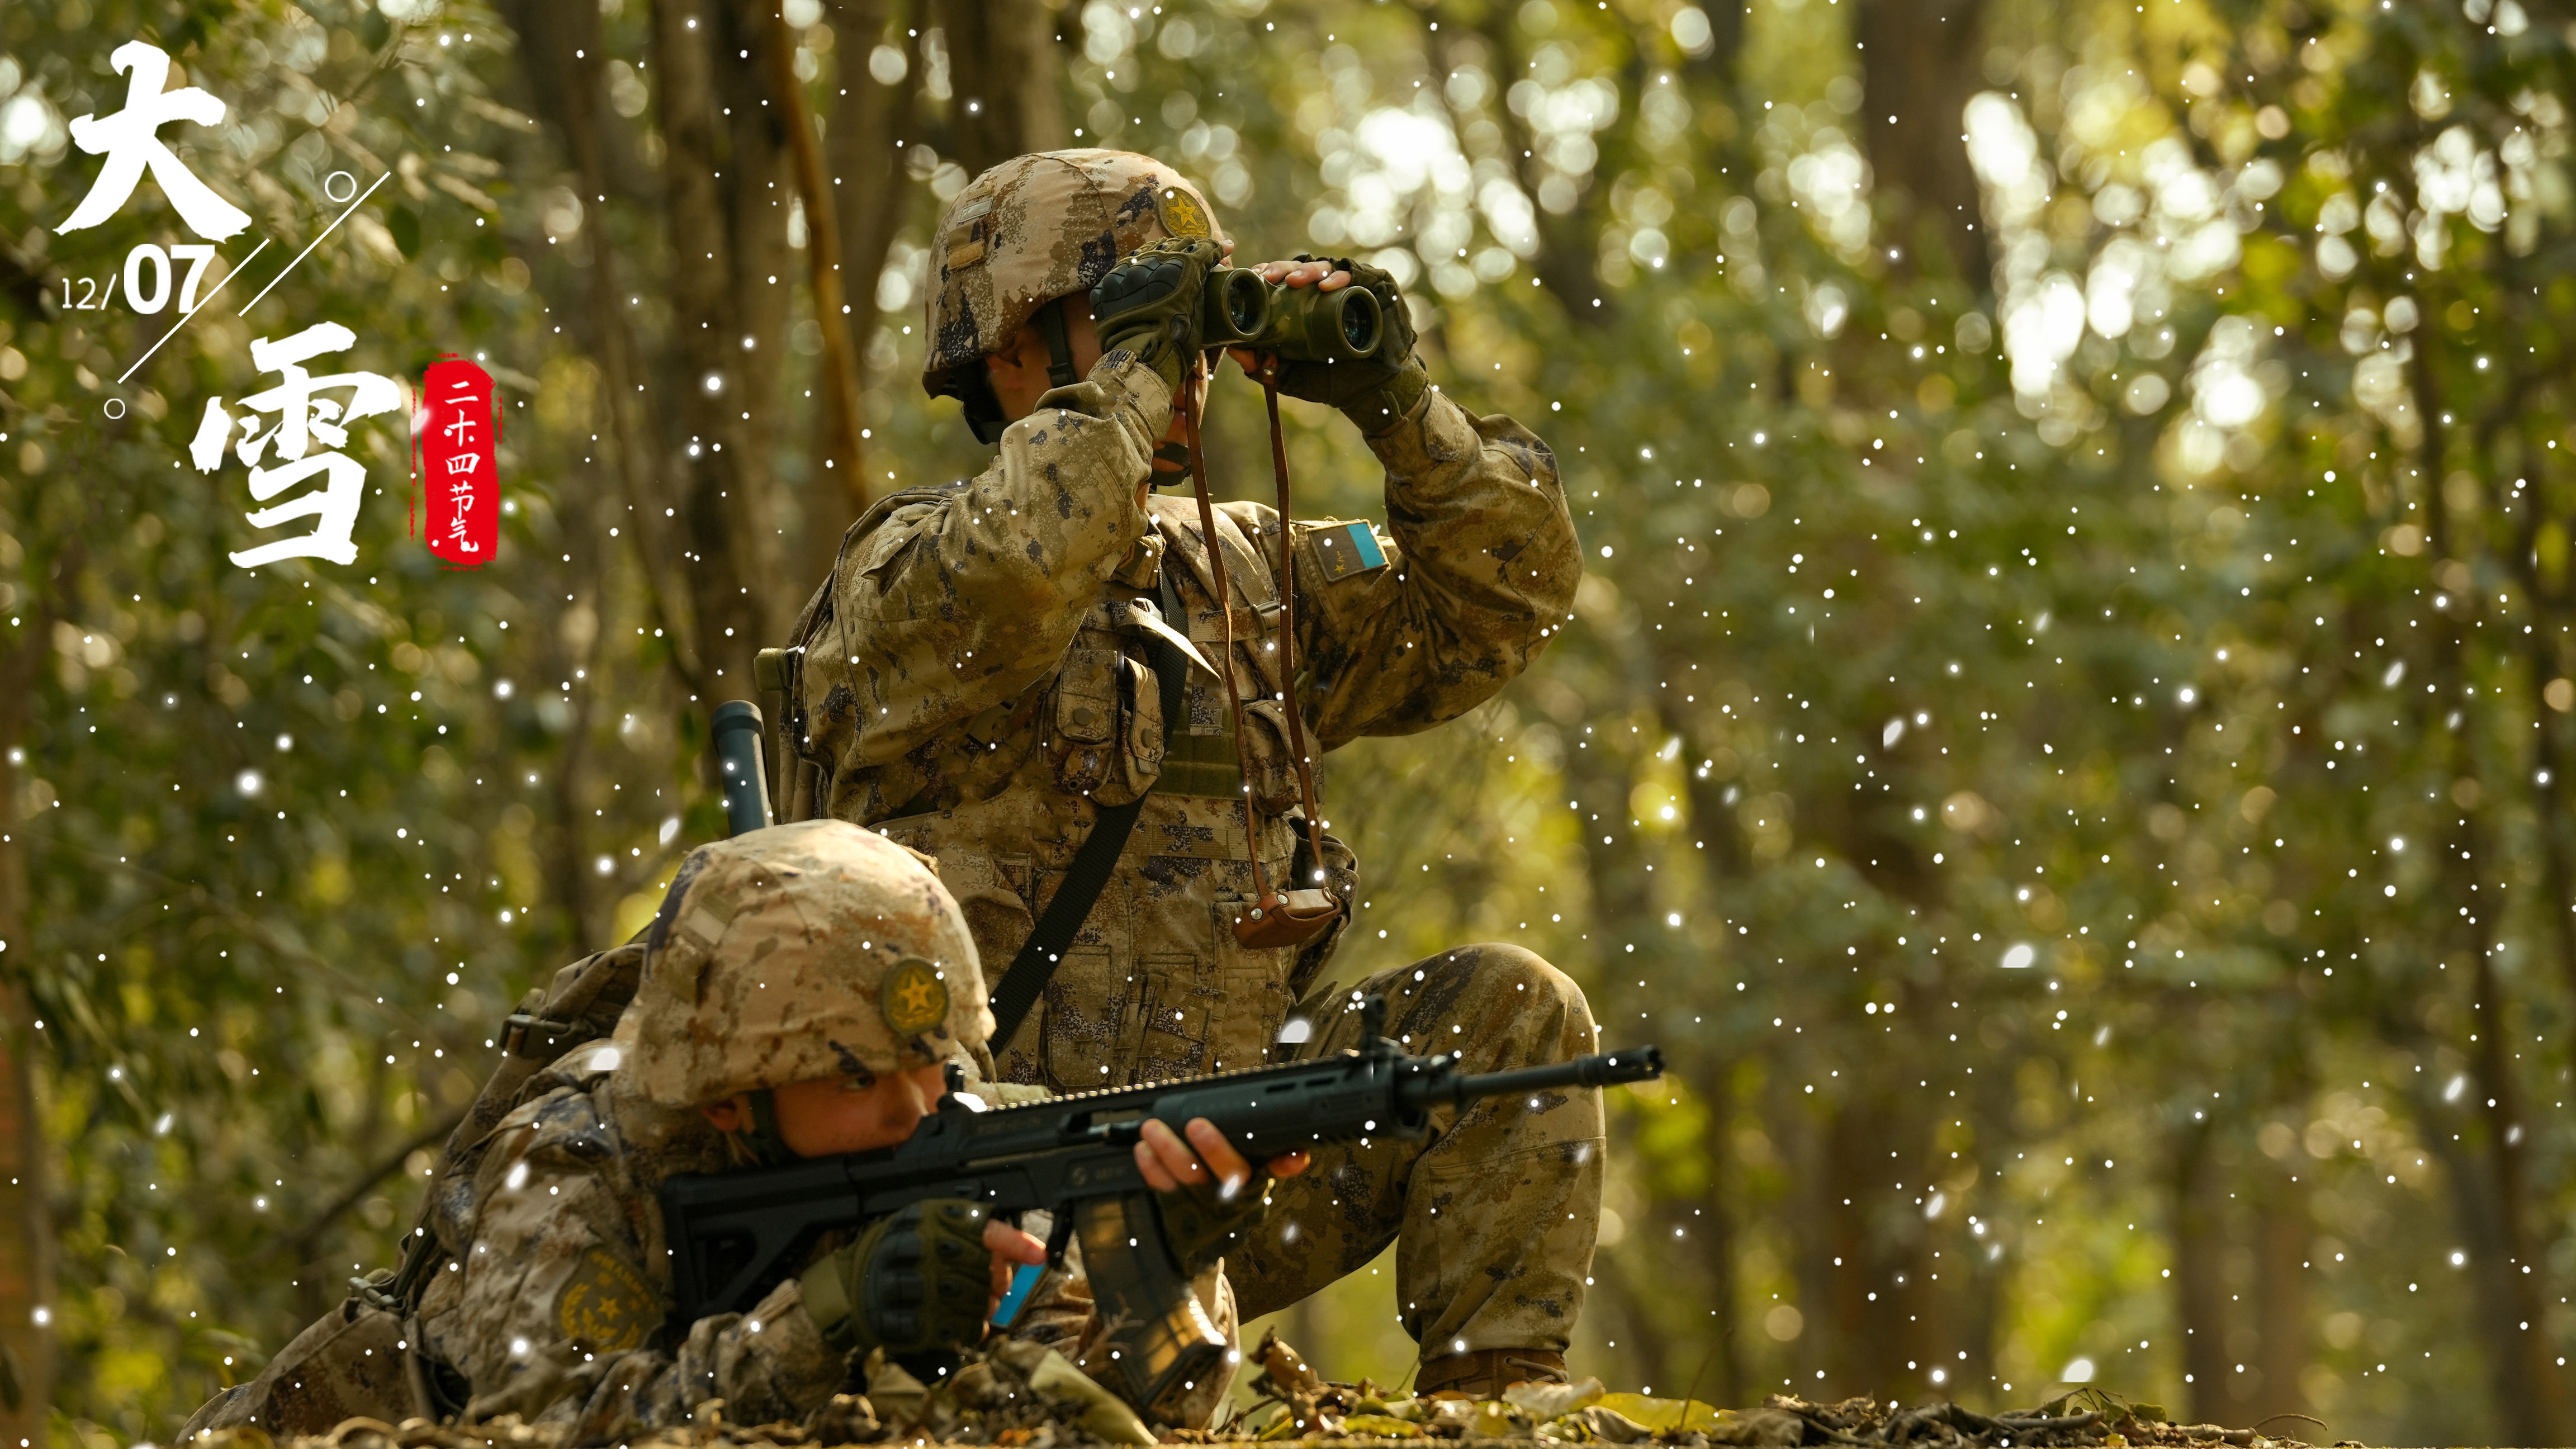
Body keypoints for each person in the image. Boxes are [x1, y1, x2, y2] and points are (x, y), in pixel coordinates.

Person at [776, 149, 1597, 1398]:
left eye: (1192, 335)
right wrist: (1129, 380)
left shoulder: (1244, 581)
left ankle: (1493, 1422)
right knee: (1113, 1391)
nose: (1184, 373)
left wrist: (1397, 404)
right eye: (1122, 326)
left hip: (1223, 1160)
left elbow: (1503, 601)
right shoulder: (905, 576)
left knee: (1505, 1025)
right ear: (1006, 352)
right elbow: (1024, 565)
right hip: (975, 1203)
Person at [178, 821, 1300, 1440]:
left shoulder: (951, 1141)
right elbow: (545, 1435)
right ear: (729, 1092)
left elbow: (1101, 1415)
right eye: (861, 1074)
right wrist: (821, 1322)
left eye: (934, 1056)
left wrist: (1165, 1263)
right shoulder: (576, 1166)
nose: (922, 1103)